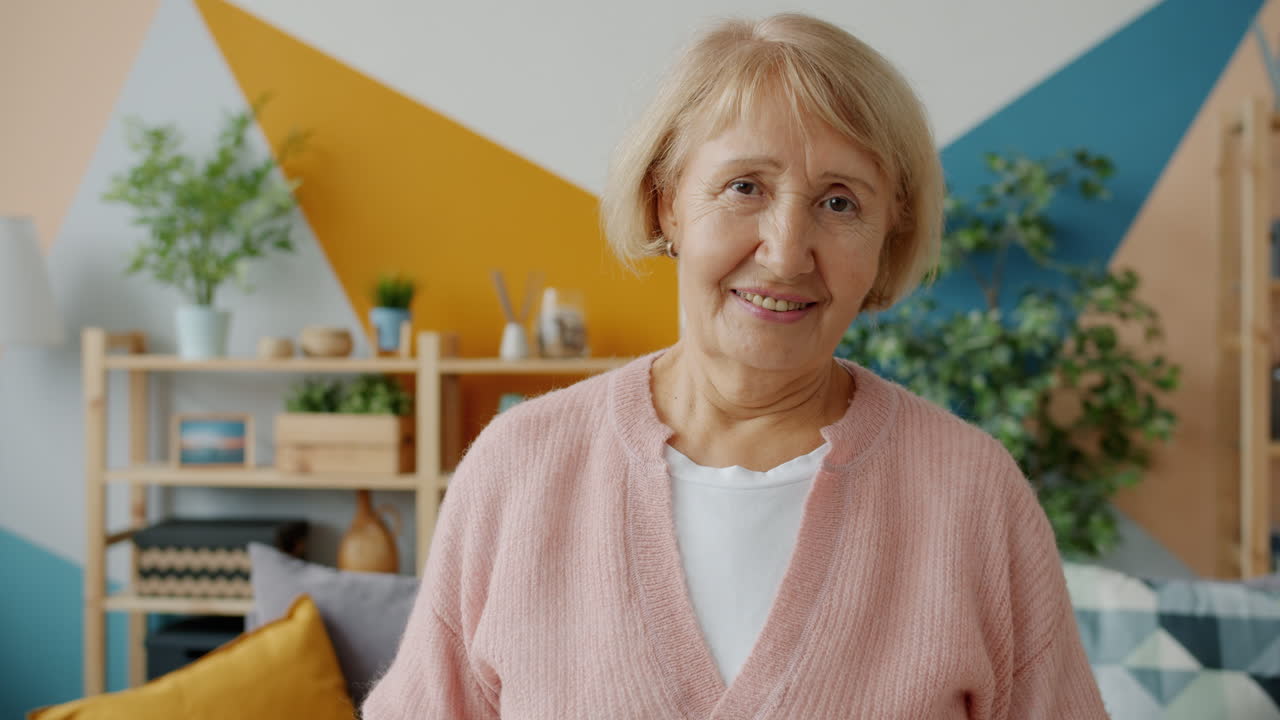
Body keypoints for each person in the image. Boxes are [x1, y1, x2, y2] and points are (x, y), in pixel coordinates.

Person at [363, 12, 1109, 719]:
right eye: (745, 187)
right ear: (667, 205)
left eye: (840, 203)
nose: (786, 251)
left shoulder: (973, 494)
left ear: (888, 233)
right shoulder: (518, 470)